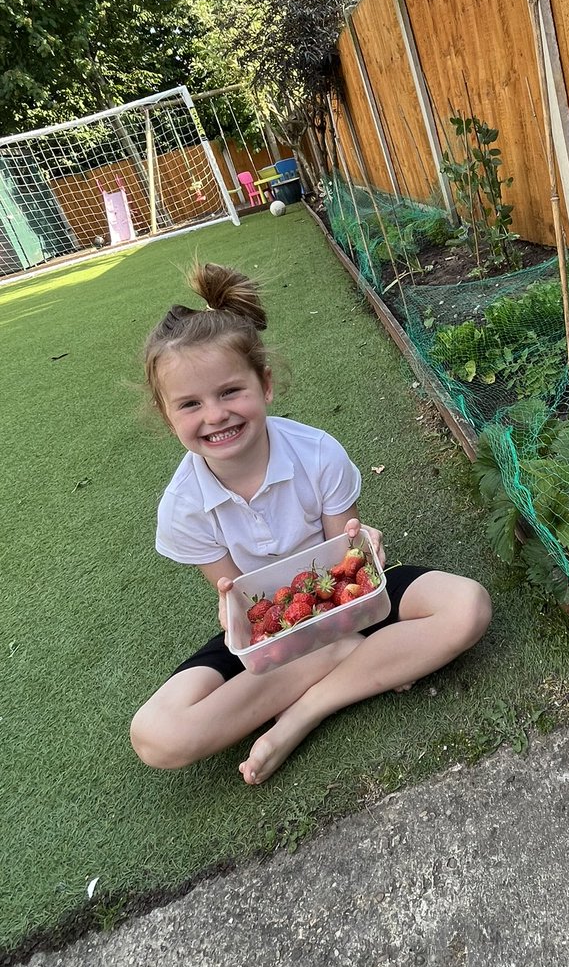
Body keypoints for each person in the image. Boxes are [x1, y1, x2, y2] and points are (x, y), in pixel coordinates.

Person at [130, 262, 492, 785]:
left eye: (230, 392)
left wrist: (361, 551)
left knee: (467, 607)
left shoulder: (317, 453)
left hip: (342, 604)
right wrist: (237, 616)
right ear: (169, 417)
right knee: (156, 735)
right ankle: (358, 663)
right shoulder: (181, 509)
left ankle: (306, 710)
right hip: (271, 630)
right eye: (190, 404)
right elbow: (243, 601)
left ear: (266, 385)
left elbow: (342, 566)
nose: (215, 415)